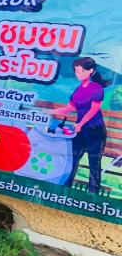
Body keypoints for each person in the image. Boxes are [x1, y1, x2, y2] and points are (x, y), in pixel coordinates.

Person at [51, 57, 111, 194]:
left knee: (94, 162)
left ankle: (92, 195)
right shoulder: (78, 89)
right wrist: (48, 112)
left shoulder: (97, 88)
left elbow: (94, 109)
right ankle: (64, 190)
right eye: (76, 71)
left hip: (95, 130)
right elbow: (69, 108)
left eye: (80, 71)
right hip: (80, 130)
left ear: (90, 71)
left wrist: (80, 123)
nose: (77, 73)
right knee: (72, 158)